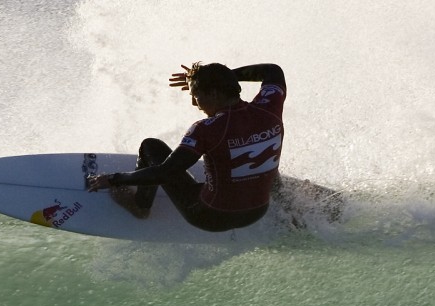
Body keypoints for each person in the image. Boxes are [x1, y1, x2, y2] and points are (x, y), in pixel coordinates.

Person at [88, 61, 287, 232]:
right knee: (264, 151)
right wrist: (223, 78)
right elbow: (273, 70)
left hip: (211, 217)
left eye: (196, 95)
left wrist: (115, 179)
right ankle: (286, 200)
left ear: (215, 93)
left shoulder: (207, 129)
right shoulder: (269, 106)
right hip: (258, 211)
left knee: (151, 147)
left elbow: (165, 172)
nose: (195, 103)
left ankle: (139, 207)